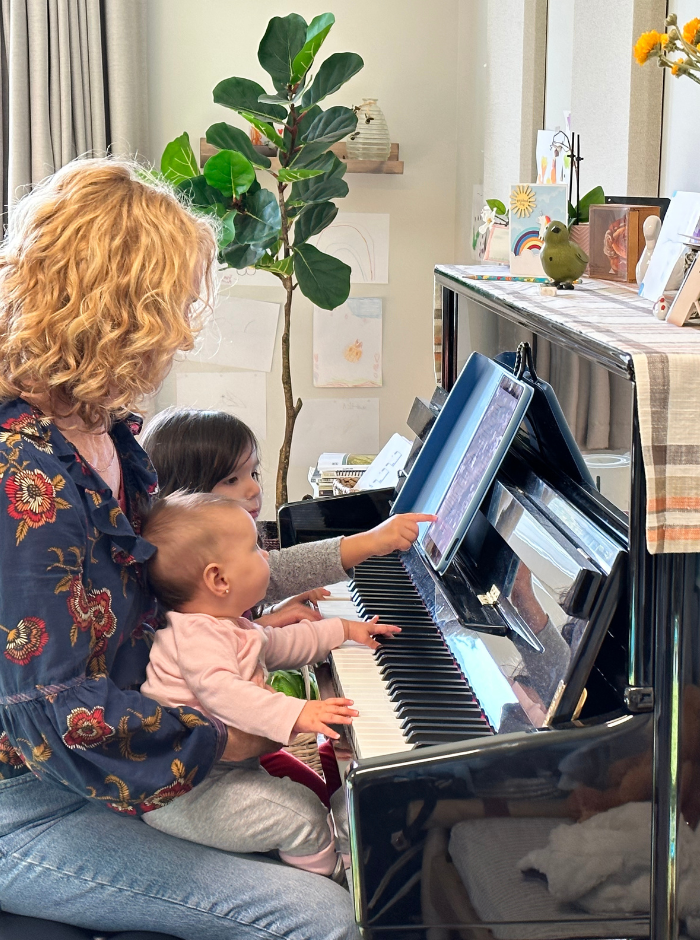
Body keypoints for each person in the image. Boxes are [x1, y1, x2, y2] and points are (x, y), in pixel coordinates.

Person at [0, 158, 361, 940]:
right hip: (25, 797)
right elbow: (51, 715)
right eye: (175, 303)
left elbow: (188, 581)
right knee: (322, 918)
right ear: (119, 305)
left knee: (342, 837)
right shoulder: (19, 471)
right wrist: (239, 734)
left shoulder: (105, 433)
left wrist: (348, 561)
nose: (184, 327)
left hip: (110, 761)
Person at [140, 408, 435, 803]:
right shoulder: (190, 618)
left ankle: (341, 790)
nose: (252, 490)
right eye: (231, 479)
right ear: (185, 497)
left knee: (324, 787)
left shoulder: (206, 591)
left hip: (237, 752)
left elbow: (260, 623)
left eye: (253, 474)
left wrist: (302, 625)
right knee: (309, 810)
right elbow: (223, 676)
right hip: (208, 774)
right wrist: (371, 541)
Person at [139, 492, 399, 874]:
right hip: (183, 791)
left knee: (318, 804)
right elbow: (223, 693)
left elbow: (280, 644)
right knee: (303, 816)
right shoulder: (196, 636)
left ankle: (338, 853)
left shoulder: (225, 624)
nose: (267, 558)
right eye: (256, 549)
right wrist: (297, 712)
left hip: (220, 771)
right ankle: (333, 883)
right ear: (219, 579)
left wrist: (341, 629)